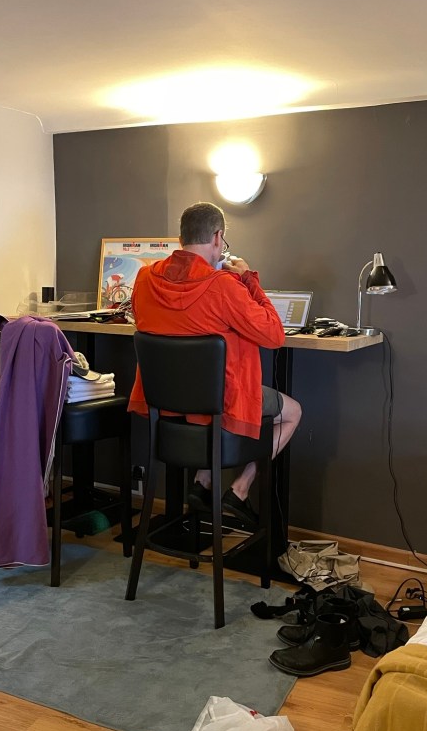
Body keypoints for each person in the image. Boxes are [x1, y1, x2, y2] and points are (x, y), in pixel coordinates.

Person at [128, 201, 301, 528]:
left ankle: (202, 482)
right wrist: (248, 278)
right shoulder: (224, 286)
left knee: (204, 404)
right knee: (292, 412)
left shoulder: (144, 278)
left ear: (182, 238)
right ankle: (239, 489)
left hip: (166, 408)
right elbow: (274, 335)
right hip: (218, 403)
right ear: (218, 238)